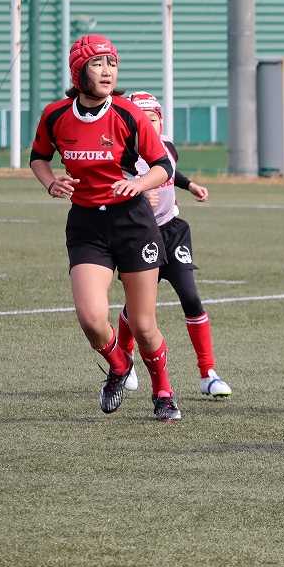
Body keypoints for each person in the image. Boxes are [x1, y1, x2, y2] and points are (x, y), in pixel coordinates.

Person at [28, 34, 181, 421]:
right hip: (87, 225)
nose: (107, 71)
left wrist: (139, 184)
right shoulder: (55, 115)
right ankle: (118, 366)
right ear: (78, 72)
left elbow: (163, 166)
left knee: (143, 326)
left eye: (112, 63)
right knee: (92, 320)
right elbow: (38, 157)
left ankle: (163, 392)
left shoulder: (128, 114)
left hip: (132, 223)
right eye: (97, 64)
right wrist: (50, 182)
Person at [116, 91, 232, 399]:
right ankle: (125, 361)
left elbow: (168, 168)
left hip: (173, 231)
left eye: (153, 119)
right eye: (142, 120)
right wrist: (138, 196)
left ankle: (208, 373)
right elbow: (113, 189)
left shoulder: (166, 144)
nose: (149, 125)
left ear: (161, 120)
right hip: (140, 234)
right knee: (137, 307)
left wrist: (190, 184)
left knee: (190, 297)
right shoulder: (122, 153)